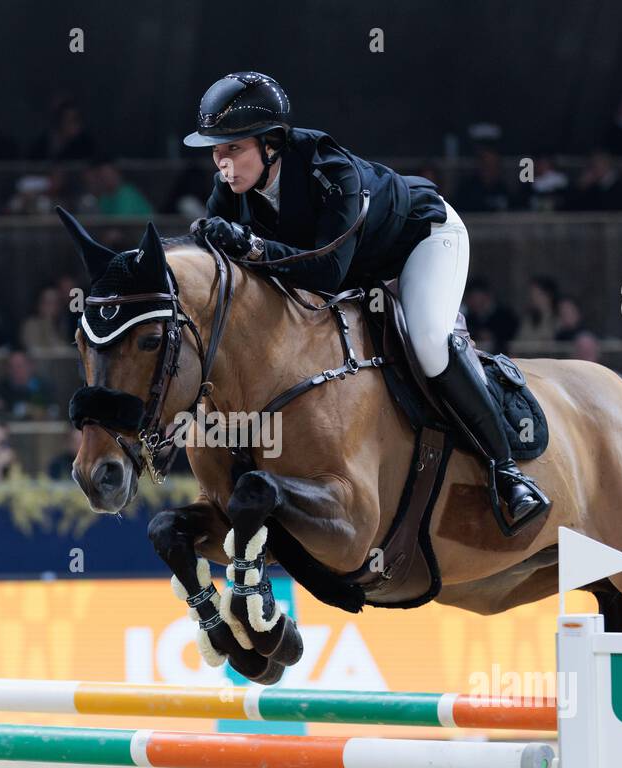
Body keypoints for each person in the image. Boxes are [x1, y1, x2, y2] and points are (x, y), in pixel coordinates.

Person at [182, 71, 546, 529]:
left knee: (430, 343)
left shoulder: (330, 171)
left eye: (233, 148)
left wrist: (251, 247)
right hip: (360, 268)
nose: (223, 163)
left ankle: (507, 471)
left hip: (420, 242)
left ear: (271, 143)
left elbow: (327, 273)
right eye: (216, 152)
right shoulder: (230, 191)